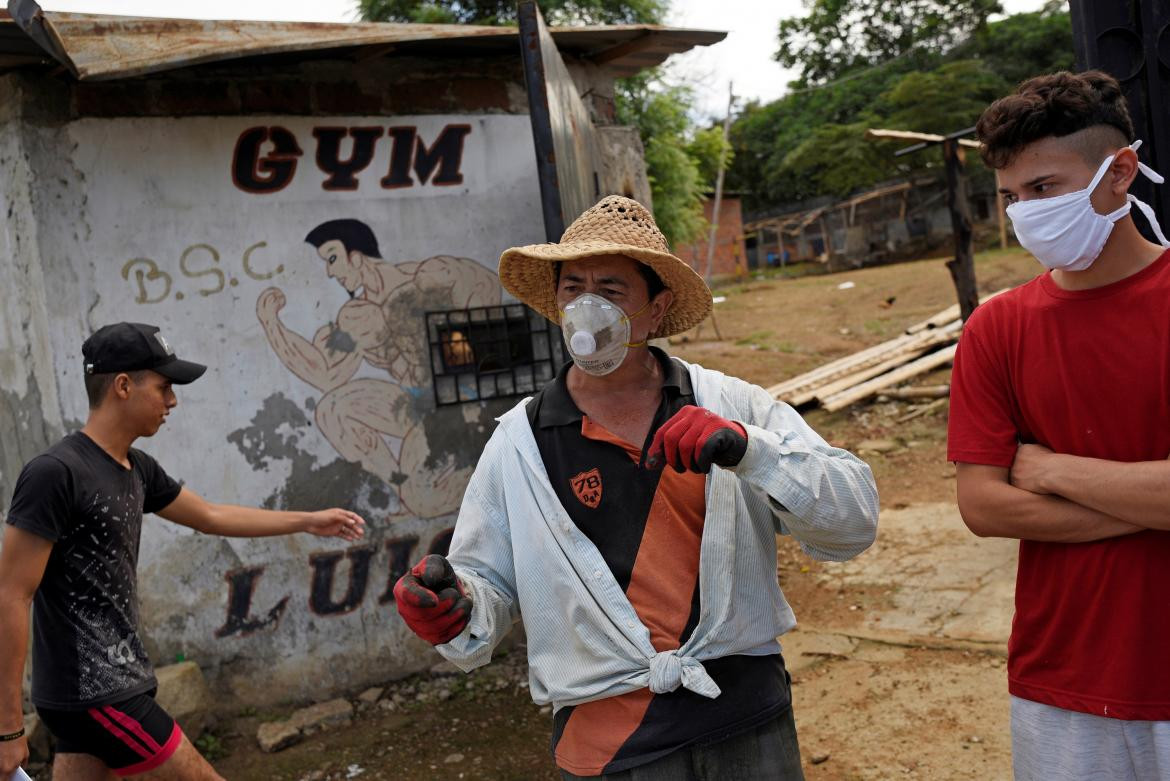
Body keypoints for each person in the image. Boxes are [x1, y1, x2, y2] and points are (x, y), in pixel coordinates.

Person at [393, 195, 879, 779]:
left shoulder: (729, 405)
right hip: (611, 745)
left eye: (611, 290)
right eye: (572, 288)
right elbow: (486, 582)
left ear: (657, 308)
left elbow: (852, 521)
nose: (585, 307)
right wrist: (456, 606)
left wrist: (750, 451)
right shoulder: (519, 443)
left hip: (747, 723)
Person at [0, 322, 367, 780]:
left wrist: (309, 520)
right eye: (164, 387)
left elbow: (211, 516)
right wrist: (9, 726)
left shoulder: (136, 468)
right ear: (122, 385)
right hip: (96, 694)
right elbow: (12, 594)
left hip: (105, 688)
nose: (172, 401)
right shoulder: (56, 473)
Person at [948, 71, 1170, 780]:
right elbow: (982, 505)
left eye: (1044, 188)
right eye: (1011, 197)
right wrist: (1151, 504)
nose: (1024, 213)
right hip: (1063, 682)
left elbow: (1013, 487)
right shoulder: (995, 329)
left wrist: (1050, 470)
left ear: (1121, 173)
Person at [256, 218, 501, 518]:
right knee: (332, 409)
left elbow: (485, 284)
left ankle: (477, 475)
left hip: (463, 400)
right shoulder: (358, 317)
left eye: (333, 258)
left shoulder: (424, 277)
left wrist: (452, 335)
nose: (330, 272)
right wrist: (272, 325)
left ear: (356, 256)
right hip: (416, 406)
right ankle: (401, 488)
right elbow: (326, 374)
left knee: (426, 501)